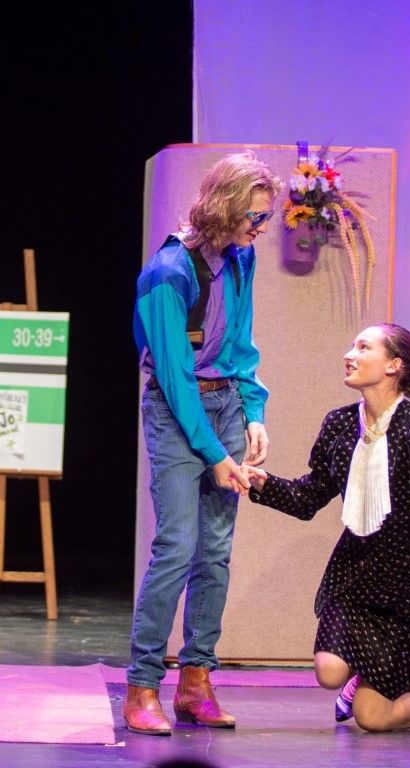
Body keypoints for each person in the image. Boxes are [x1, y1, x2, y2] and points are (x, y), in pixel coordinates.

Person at [243, 323, 410, 732]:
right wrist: (263, 485)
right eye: (352, 346)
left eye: (363, 348)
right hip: (353, 577)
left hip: (409, 591)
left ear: (393, 365)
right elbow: (309, 497)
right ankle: (356, 680)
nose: (349, 355)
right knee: (329, 671)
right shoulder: (339, 425)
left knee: (373, 718)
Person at [126, 150, 283, 736]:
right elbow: (174, 377)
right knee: (177, 546)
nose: (260, 228)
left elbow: (240, 344)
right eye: (254, 216)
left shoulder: (241, 257)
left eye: (265, 217)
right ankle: (143, 684)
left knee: (215, 551)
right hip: (176, 412)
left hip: (224, 405)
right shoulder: (169, 272)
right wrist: (215, 454)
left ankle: (196, 681)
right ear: (224, 206)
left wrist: (253, 412)